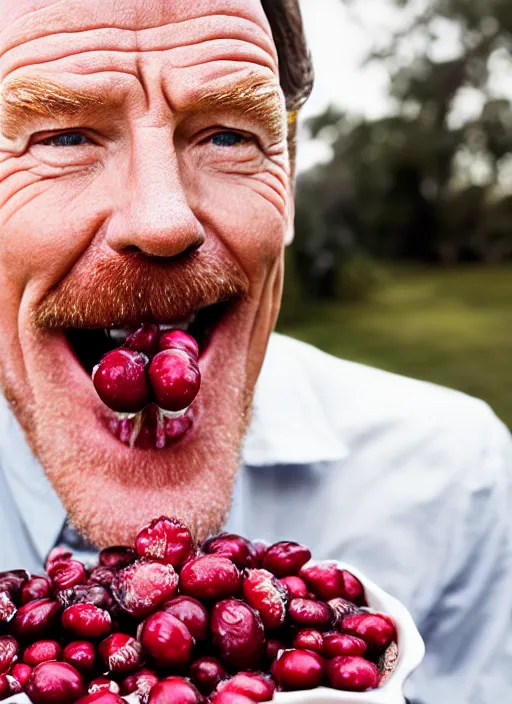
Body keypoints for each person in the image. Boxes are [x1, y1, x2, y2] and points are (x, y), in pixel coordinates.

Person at [0, 1, 510, 702]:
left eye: (230, 136)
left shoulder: (458, 483)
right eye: (61, 138)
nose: (163, 221)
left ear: (290, 181)